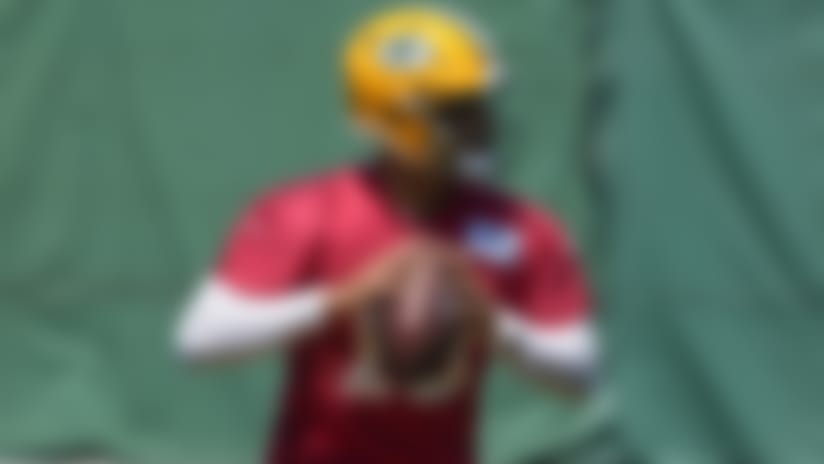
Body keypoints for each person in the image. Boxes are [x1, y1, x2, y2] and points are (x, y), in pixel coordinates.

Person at [176, 6, 596, 464]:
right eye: (459, 110)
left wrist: (496, 326)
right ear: (399, 117)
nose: (482, 125)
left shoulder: (524, 227)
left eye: (480, 106)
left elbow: (584, 372)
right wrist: (341, 299)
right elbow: (200, 339)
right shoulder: (305, 212)